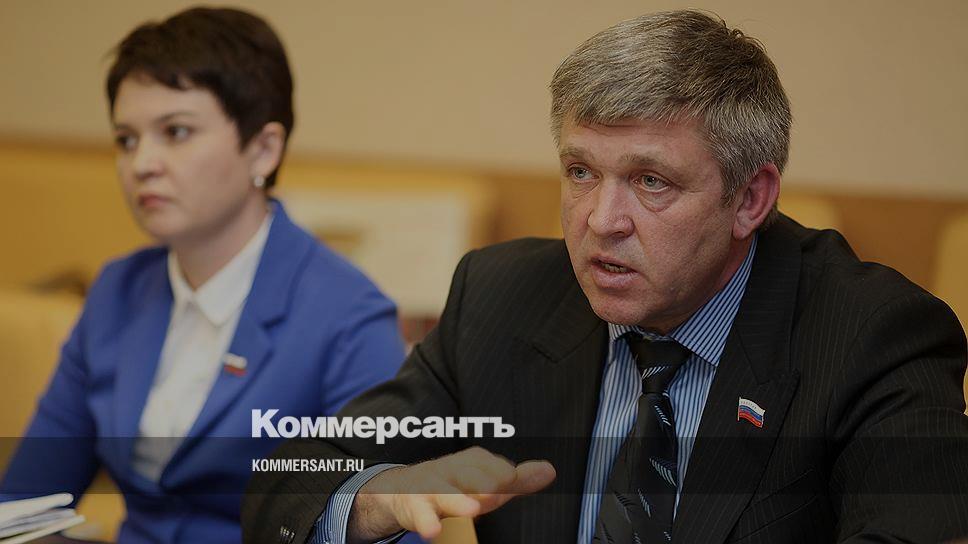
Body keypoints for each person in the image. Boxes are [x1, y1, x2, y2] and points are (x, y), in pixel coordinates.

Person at [242, 10, 968, 544]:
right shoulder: (503, 299)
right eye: (581, 171)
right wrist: (379, 498)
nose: (600, 220)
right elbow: (289, 480)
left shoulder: (873, 336)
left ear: (750, 198)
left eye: (651, 181)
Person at [0, 7, 406, 543]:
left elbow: (388, 526)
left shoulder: (348, 318)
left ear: (263, 149)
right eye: (126, 139)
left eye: (176, 132)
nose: (142, 163)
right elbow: (25, 505)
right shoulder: (118, 290)